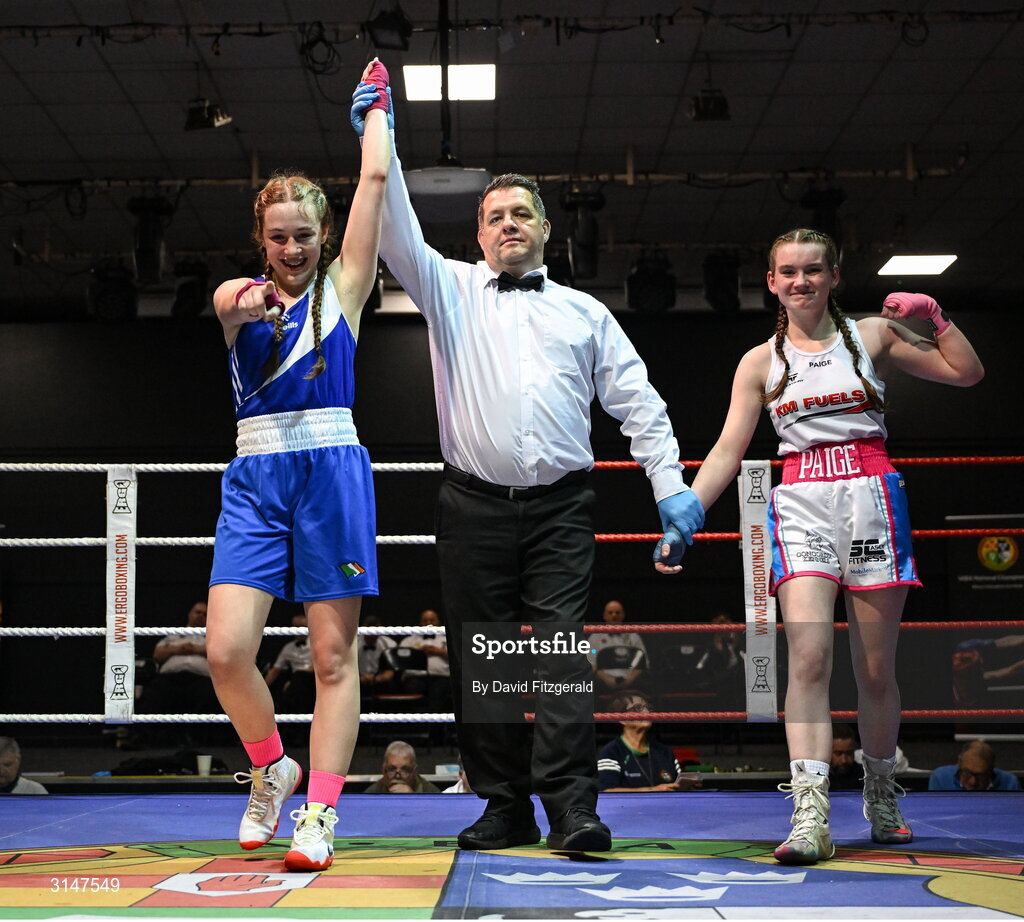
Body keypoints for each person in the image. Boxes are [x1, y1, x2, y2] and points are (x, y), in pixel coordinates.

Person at [351, 75, 703, 857]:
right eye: (493, 216)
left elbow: (638, 403)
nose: (507, 225)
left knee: (557, 660)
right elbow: (395, 222)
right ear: (478, 235)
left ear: (546, 228)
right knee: (484, 661)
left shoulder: (585, 312)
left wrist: (670, 486)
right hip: (473, 505)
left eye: (519, 213)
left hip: (559, 509)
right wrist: (379, 135)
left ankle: (574, 809)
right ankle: (503, 805)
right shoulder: (448, 288)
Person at [670, 227, 983, 865]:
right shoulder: (760, 362)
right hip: (802, 501)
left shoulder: (872, 336)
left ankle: (880, 790)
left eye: (813, 270)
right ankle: (810, 812)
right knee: (808, 660)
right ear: (772, 281)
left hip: (870, 494)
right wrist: (689, 509)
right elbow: (730, 448)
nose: (800, 281)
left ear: (834, 276)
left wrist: (939, 321)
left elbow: (967, 372)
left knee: (874, 669)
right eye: (788, 271)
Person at [203, 59, 392, 873]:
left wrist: (376, 112)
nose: (290, 247)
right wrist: (249, 299)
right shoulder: (233, 298)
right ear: (262, 239)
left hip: (331, 471)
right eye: (277, 236)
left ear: (322, 235)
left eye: (304, 234)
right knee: (224, 652)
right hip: (255, 479)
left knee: (331, 657)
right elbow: (228, 303)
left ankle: (318, 810)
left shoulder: (344, 290)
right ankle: (270, 761)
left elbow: (376, 181)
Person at [597, 693, 700, 792]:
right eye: (637, 709)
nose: (646, 712)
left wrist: (689, 786)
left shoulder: (665, 752)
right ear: (621, 719)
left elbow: (677, 786)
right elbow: (607, 791)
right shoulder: (611, 753)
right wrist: (653, 790)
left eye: (648, 708)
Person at [136, 600, 218, 718]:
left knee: (213, 696)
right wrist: (178, 649)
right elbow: (157, 654)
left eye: (205, 614)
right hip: (170, 679)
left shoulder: (212, 639)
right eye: (198, 612)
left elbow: (219, 655)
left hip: (202, 681)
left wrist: (196, 649)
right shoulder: (173, 635)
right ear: (190, 614)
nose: (201, 615)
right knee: (153, 694)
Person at [588, 600, 650, 695]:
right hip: (603, 682)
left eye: (617, 612)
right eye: (610, 612)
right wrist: (607, 680)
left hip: (630, 681)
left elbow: (643, 662)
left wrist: (630, 680)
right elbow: (591, 663)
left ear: (623, 615)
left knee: (647, 685)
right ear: (604, 615)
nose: (614, 615)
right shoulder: (595, 637)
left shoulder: (633, 636)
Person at [264, 613, 316, 723]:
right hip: (297, 684)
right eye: (295, 627)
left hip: (314, 680)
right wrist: (261, 688)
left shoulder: (317, 643)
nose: (298, 630)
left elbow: (321, 665)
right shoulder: (288, 647)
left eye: (301, 627)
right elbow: (275, 670)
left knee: (299, 677)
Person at [398, 609, 451, 710]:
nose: (428, 624)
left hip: (441, 678)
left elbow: (459, 658)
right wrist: (417, 653)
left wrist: (440, 651)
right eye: (425, 621)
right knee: (414, 695)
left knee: (439, 693)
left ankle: (435, 724)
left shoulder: (447, 640)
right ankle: (418, 723)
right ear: (420, 623)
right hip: (414, 678)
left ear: (438, 622)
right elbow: (399, 659)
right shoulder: (409, 641)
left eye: (432, 620)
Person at [929, 740, 1021, 791]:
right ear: (959, 762)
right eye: (967, 773)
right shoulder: (940, 779)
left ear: (991, 770)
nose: (973, 782)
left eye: (980, 776)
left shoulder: (1010, 783)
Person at [363, 741, 440, 793]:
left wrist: (413, 800)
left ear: (415, 771)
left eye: (405, 770)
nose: (397, 776)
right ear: (383, 769)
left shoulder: (431, 793)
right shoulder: (372, 793)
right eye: (392, 769)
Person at [358, 615, 397, 698]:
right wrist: (359, 678)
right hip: (358, 681)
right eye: (368, 633)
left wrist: (377, 679)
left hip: (381, 682)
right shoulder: (353, 645)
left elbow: (390, 673)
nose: (371, 635)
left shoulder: (389, 644)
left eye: (374, 633)